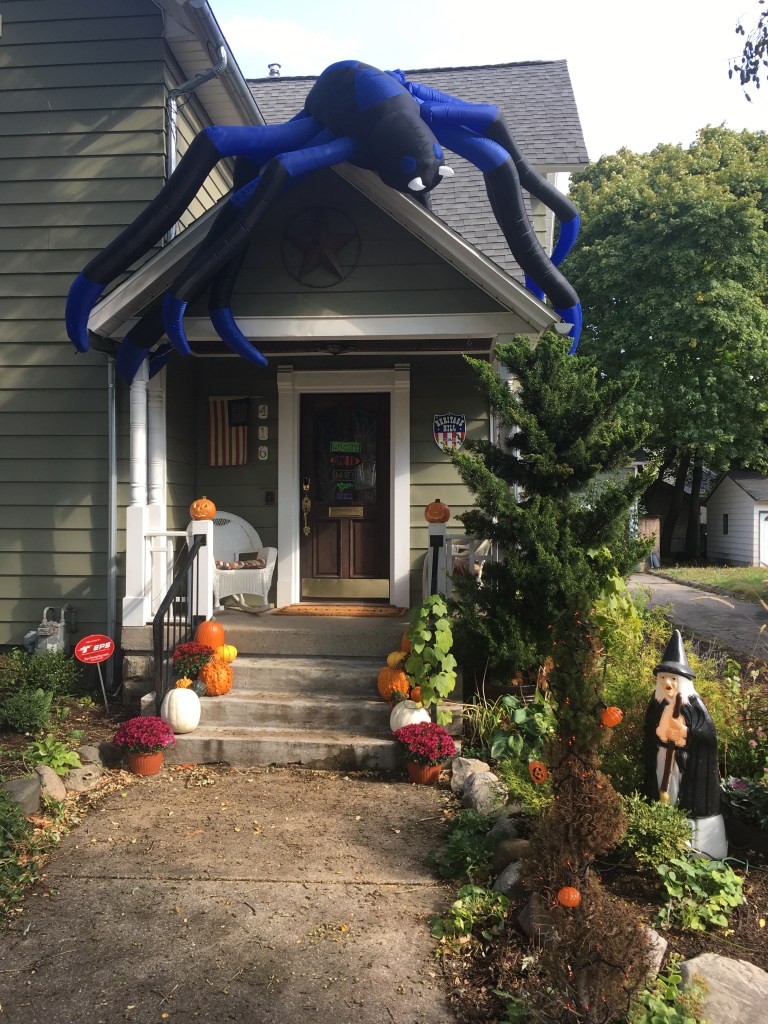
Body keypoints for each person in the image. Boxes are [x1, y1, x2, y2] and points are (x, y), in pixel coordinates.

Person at [643, 629, 728, 859]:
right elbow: (650, 729)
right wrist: (658, 734)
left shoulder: (693, 705)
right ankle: (661, 834)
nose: (667, 683)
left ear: (681, 680)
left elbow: (708, 736)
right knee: (663, 793)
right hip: (662, 760)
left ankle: (691, 845)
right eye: (663, 678)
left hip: (686, 765)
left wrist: (686, 733)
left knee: (682, 797)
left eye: (673, 678)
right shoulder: (657, 703)